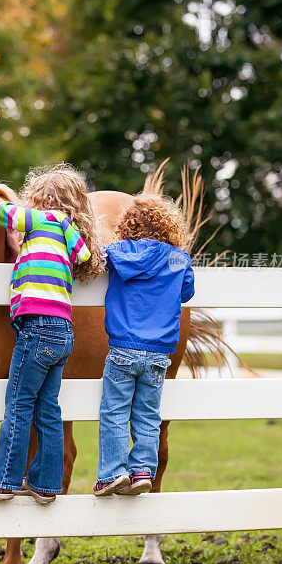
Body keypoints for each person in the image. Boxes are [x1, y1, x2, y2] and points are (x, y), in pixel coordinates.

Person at [0, 165, 104, 503]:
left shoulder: (40, 220)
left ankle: (1, 481)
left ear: (40, 200)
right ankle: (44, 484)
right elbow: (84, 256)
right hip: (63, 332)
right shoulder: (69, 229)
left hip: (36, 328)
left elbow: (2, 213)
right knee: (49, 410)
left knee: (18, 403)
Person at [94, 193, 194, 496]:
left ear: (127, 225)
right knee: (148, 416)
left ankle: (112, 473)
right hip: (158, 355)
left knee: (114, 413)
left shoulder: (117, 253)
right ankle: (141, 472)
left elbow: (95, 261)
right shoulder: (178, 258)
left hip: (123, 349)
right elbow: (186, 292)